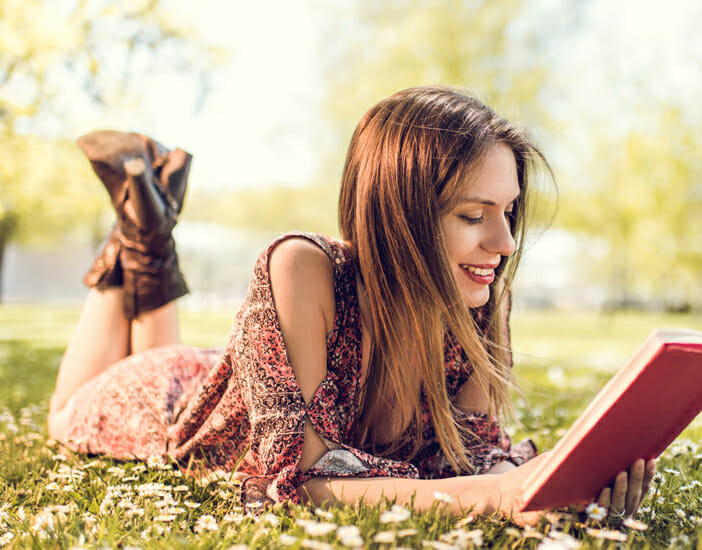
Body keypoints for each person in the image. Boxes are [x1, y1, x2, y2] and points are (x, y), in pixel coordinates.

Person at [46, 86, 656, 524]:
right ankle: (140, 230)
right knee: (66, 413)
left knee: (180, 365)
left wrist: (544, 485)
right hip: (163, 397)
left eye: (508, 212)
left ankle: (148, 213)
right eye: (473, 215)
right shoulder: (301, 267)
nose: (504, 243)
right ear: (400, 216)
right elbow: (303, 482)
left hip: (215, 378)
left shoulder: (474, 295)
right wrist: (497, 496)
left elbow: (472, 461)